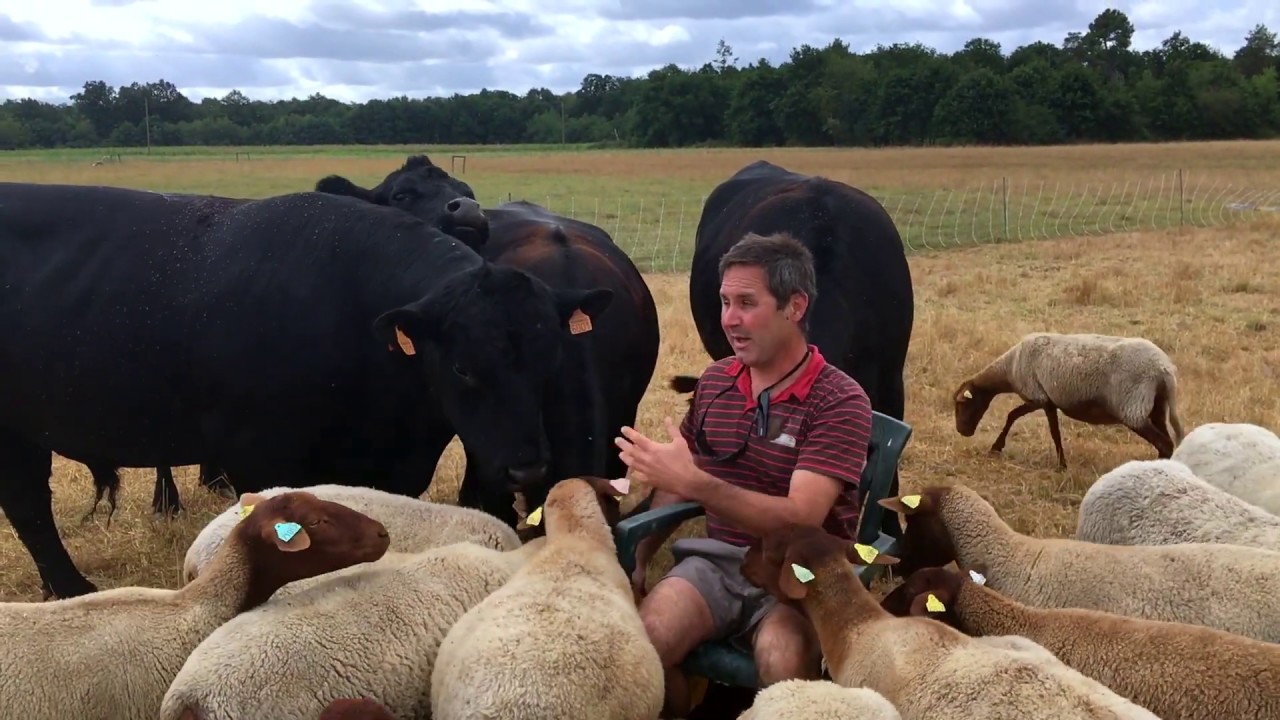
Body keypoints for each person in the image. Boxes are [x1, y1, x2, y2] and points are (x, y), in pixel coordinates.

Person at [615, 230, 874, 718]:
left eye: (747, 303)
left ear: (794, 307)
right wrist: (639, 559)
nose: (729, 319)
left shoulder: (838, 400)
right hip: (714, 565)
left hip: (799, 576)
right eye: (725, 302)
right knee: (641, 646)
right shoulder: (716, 382)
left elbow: (801, 518)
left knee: (783, 660)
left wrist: (698, 483)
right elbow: (676, 483)